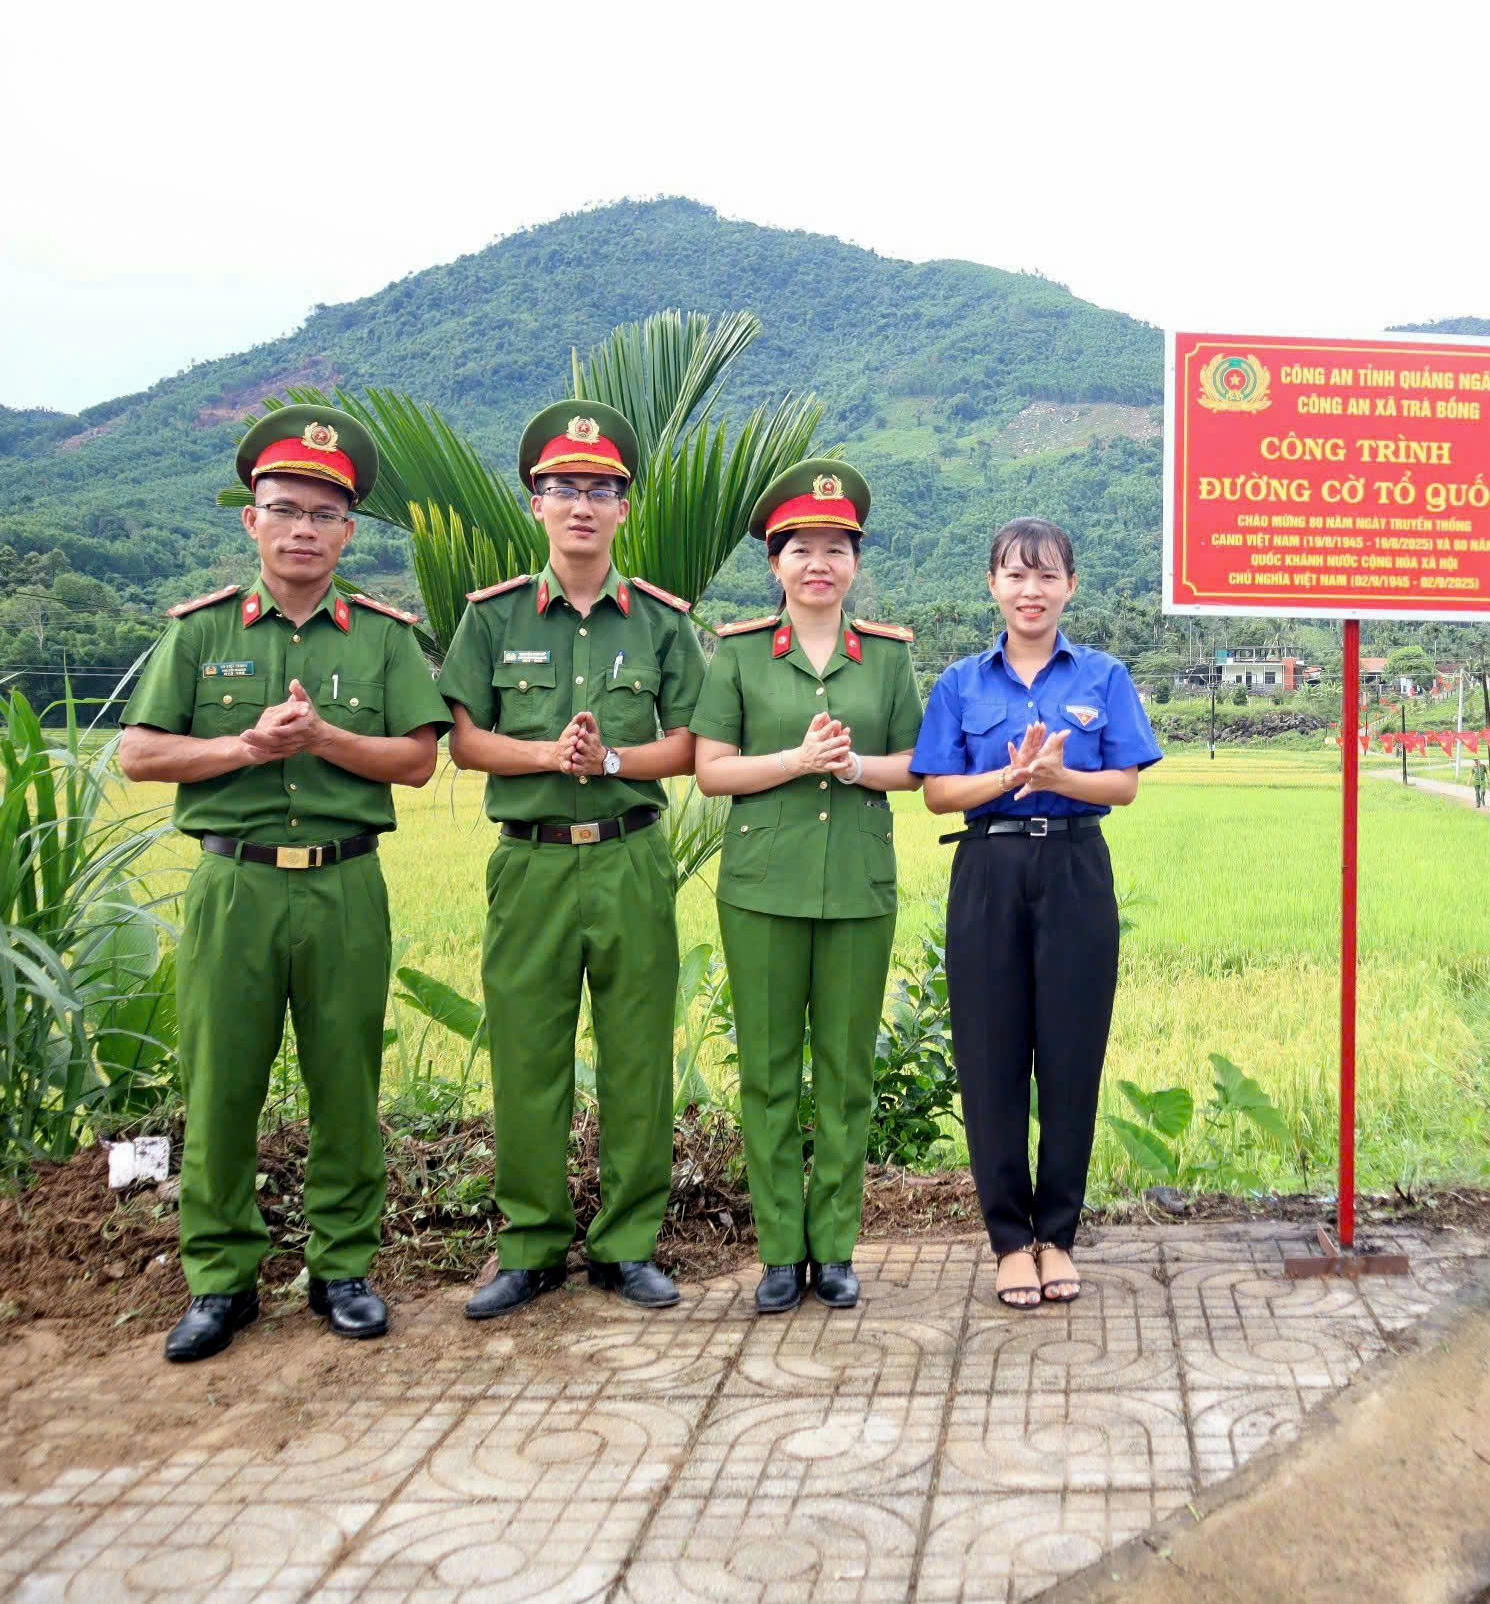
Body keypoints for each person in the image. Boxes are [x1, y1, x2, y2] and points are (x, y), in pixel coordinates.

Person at [120, 404, 446, 1361]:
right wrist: (246, 746)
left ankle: (343, 1267)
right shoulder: (199, 632)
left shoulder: (383, 638)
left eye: (323, 512)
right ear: (250, 520)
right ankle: (221, 1280)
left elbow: (419, 759)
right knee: (220, 1081)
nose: (303, 528)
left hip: (345, 885)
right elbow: (139, 754)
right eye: (284, 507)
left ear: (349, 531)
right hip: (235, 889)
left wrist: (326, 740)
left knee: (346, 1078)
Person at [440, 398, 707, 1319]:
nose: (582, 505)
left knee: (637, 1054)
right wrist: (550, 756)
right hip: (533, 862)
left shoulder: (662, 623)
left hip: (631, 859)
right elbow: (466, 740)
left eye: (600, 489)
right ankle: (529, 1245)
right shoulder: (492, 617)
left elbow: (692, 746)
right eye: (564, 488)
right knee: (528, 1052)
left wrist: (614, 760)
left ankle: (628, 1243)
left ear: (624, 507)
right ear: (535, 503)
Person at [912, 518, 1161, 1311]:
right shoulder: (960, 682)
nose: (1031, 590)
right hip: (988, 865)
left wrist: (1061, 773)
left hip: (1077, 866)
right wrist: (1011, 775)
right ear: (993, 584)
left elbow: (1123, 783)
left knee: (1069, 1055)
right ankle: (1009, 1240)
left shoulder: (1105, 674)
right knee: (989, 1059)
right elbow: (937, 792)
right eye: (1016, 576)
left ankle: (1058, 1234)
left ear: (1070, 587)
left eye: (1047, 576)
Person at [692, 460, 922, 1314]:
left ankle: (837, 1247)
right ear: (775, 563)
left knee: (847, 1071)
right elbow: (712, 770)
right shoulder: (743, 653)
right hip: (761, 889)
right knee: (769, 1072)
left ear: (855, 562)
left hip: (859, 888)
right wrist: (796, 760)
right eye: (801, 548)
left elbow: (917, 765)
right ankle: (781, 1251)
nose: (818, 563)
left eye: (836, 547)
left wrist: (856, 764)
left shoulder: (887, 659)